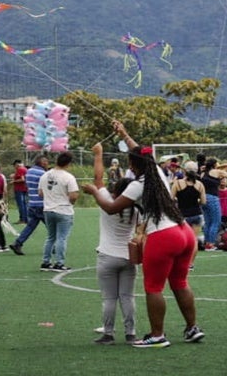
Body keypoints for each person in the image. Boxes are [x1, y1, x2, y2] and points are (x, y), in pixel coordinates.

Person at [84, 120, 201, 349]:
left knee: (153, 287)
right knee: (179, 281)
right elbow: (140, 151)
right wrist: (125, 133)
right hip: (184, 230)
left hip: (164, 235)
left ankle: (157, 335)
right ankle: (192, 328)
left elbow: (111, 207)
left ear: (132, 165)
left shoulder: (137, 185)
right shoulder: (156, 170)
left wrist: (94, 192)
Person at [87, 142, 138, 344]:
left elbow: (98, 179)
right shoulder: (136, 208)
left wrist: (98, 154)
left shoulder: (107, 200)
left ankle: (108, 334)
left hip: (107, 256)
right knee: (128, 297)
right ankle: (131, 333)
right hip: (128, 256)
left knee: (109, 299)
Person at [41, 152, 79, 271]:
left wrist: (50, 198)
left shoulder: (45, 175)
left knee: (50, 237)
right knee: (61, 238)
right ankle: (59, 263)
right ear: (68, 163)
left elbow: (40, 193)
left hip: (48, 209)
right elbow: (73, 195)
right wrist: (71, 202)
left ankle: (46, 262)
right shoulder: (68, 177)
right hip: (64, 210)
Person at [10, 156, 48, 256]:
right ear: (42, 163)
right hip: (42, 204)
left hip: (32, 203)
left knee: (30, 226)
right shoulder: (43, 174)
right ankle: (52, 246)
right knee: (52, 228)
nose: (47, 164)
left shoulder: (29, 171)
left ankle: (18, 243)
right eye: (46, 162)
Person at [197, 156, 227, 250]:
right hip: (213, 198)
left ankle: (206, 243)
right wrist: (222, 171)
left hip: (203, 198)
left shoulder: (202, 173)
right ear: (214, 165)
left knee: (208, 222)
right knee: (216, 222)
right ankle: (211, 244)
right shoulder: (217, 172)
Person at [172, 163, 206, 240]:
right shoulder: (199, 184)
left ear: (184, 171)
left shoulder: (177, 183)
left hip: (182, 214)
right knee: (194, 240)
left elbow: (171, 199)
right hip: (196, 213)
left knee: (183, 239)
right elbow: (203, 201)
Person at [12, 159, 29, 224]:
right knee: (25, 204)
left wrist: (14, 181)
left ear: (17, 164)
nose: (14, 167)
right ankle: (26, 219)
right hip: (25, 188)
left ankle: (22, 219)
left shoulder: (20, 169)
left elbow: (22, 179)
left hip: (19, 189)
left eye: (14, 165)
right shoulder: (25, 169)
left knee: (21, 205)